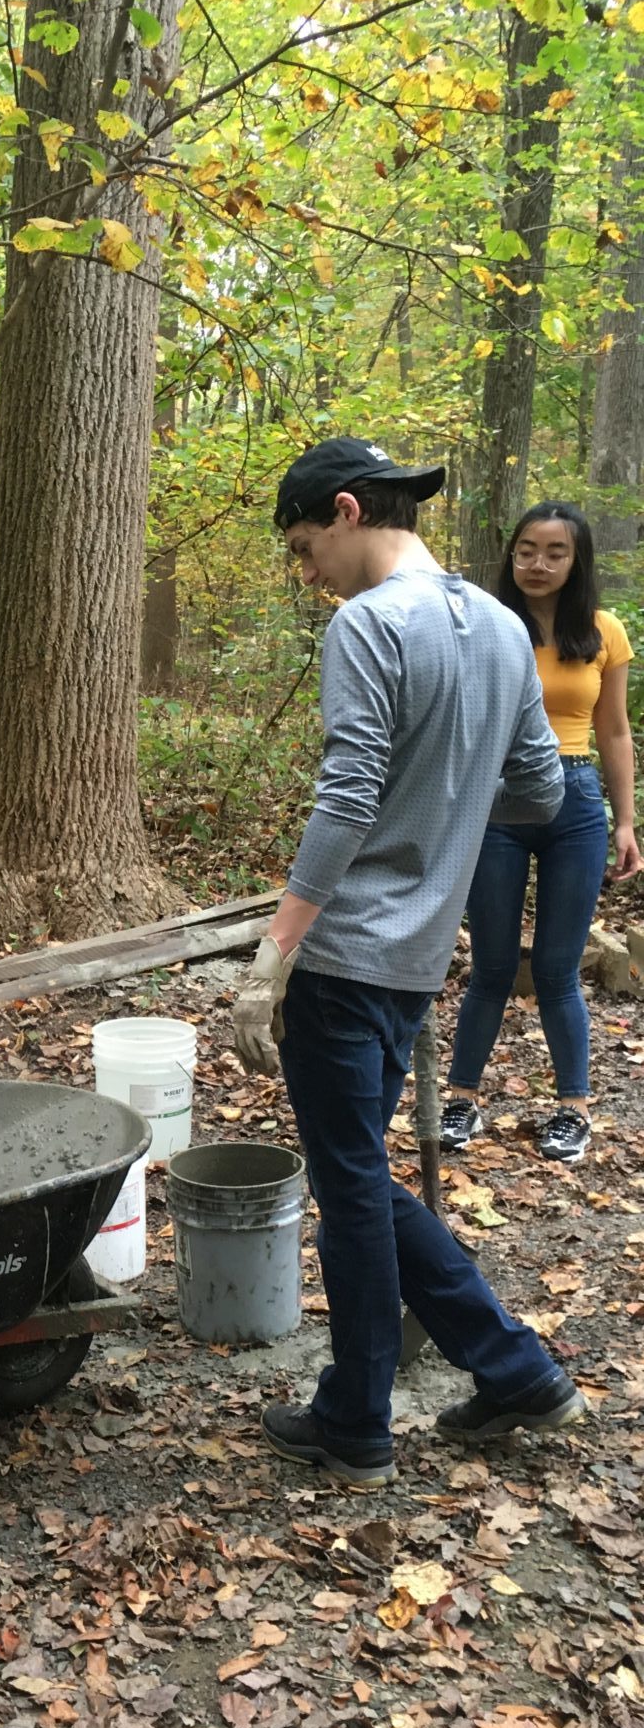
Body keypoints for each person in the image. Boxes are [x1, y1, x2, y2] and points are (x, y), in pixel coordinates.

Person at [233, 437, 584, 1489]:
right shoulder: (498, 626)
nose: (309, 573)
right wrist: (449, 806)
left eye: (305, 548)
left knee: (349, 1189)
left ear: (346, 511)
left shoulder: (371, 623)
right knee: (361, 1180)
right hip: (421, 956)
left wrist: (275, 953)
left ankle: (358, 1420)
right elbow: (542, 794)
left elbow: (344, 798)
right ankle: (512, 1367)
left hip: (346, 956)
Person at [440, 502, 638, 1164]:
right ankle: (462, 1098)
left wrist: (627, 820)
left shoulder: (603, 631)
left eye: (555, 552)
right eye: (526, 549)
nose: (538, 563)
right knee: (491, 965)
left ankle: (572, 1109)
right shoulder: (487, 624)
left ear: (576, 561)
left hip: (577, 799)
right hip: (497, 801)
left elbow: (614, 730)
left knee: (556, 968)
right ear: (511, 555)